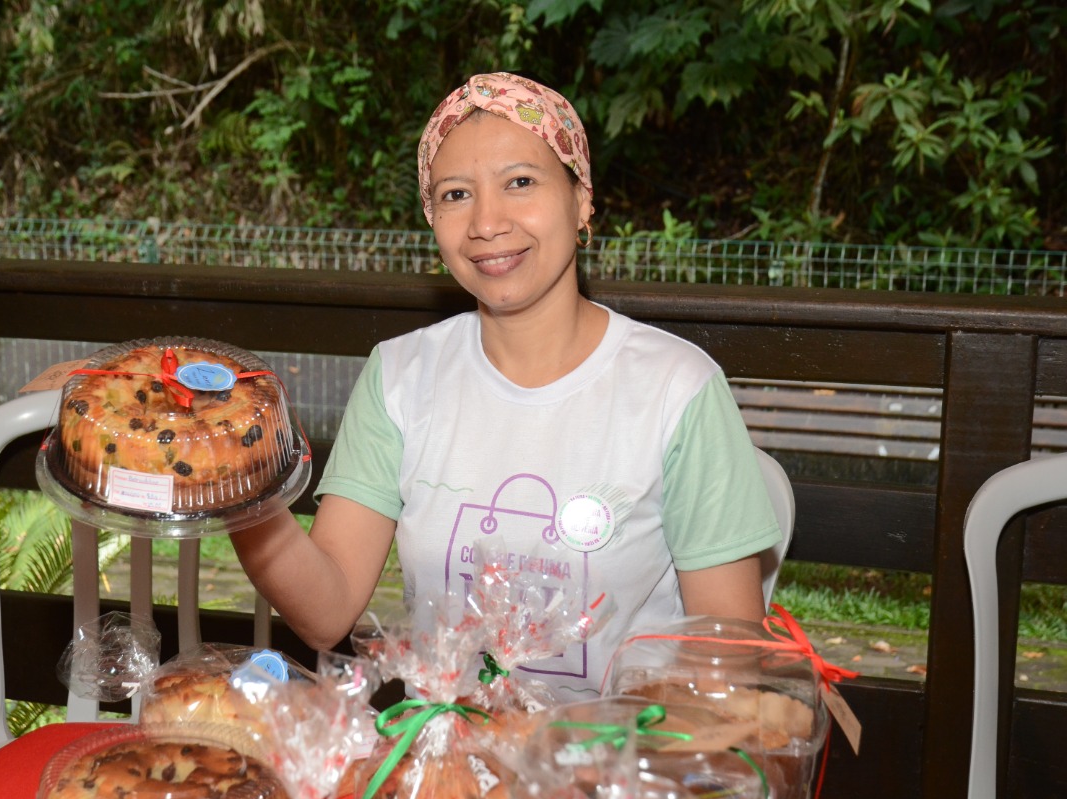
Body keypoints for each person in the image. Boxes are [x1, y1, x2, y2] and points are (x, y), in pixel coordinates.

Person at [231, 71, 781, 700]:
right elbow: (326, 614)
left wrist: (570, 765)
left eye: (520, 182)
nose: (487, 222)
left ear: (582, 202)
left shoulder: (676, 389)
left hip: (623, 777)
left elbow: (728, 670)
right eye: (456, 194)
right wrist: (236, 487)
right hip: (443, 779)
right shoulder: (400, 375)